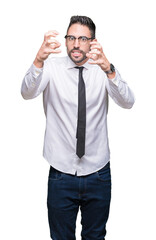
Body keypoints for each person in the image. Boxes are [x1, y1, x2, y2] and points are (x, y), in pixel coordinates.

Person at [21, 15, 135, 240]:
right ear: (65, 41)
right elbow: (26, 93)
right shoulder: (51, 68)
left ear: (93, 42)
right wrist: (38, 60)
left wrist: (109, 69)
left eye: (83, 38)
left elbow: (128, 102)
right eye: (71, 37)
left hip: (99, 173)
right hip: (61, 174)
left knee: (95, 236)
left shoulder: (102, 70)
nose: (75, 44)